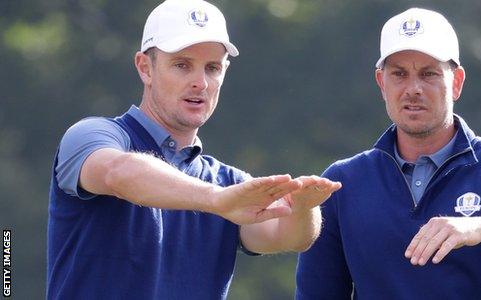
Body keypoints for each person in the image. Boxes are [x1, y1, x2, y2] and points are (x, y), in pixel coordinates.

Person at [296, 7, 481, 299]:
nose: (412, 88)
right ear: (381, 83)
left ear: (456, 82)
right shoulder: (341, 183)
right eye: (399, 74)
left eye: (429, 74)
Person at [47, 0, 341, 299]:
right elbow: (118, 172)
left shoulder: (229, 183)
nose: (200, 82)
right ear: (145, 68)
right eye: (182, 65)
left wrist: (305, 206)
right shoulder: (90, 136)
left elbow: (285, 236)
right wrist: (217, 200)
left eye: (212, 68)